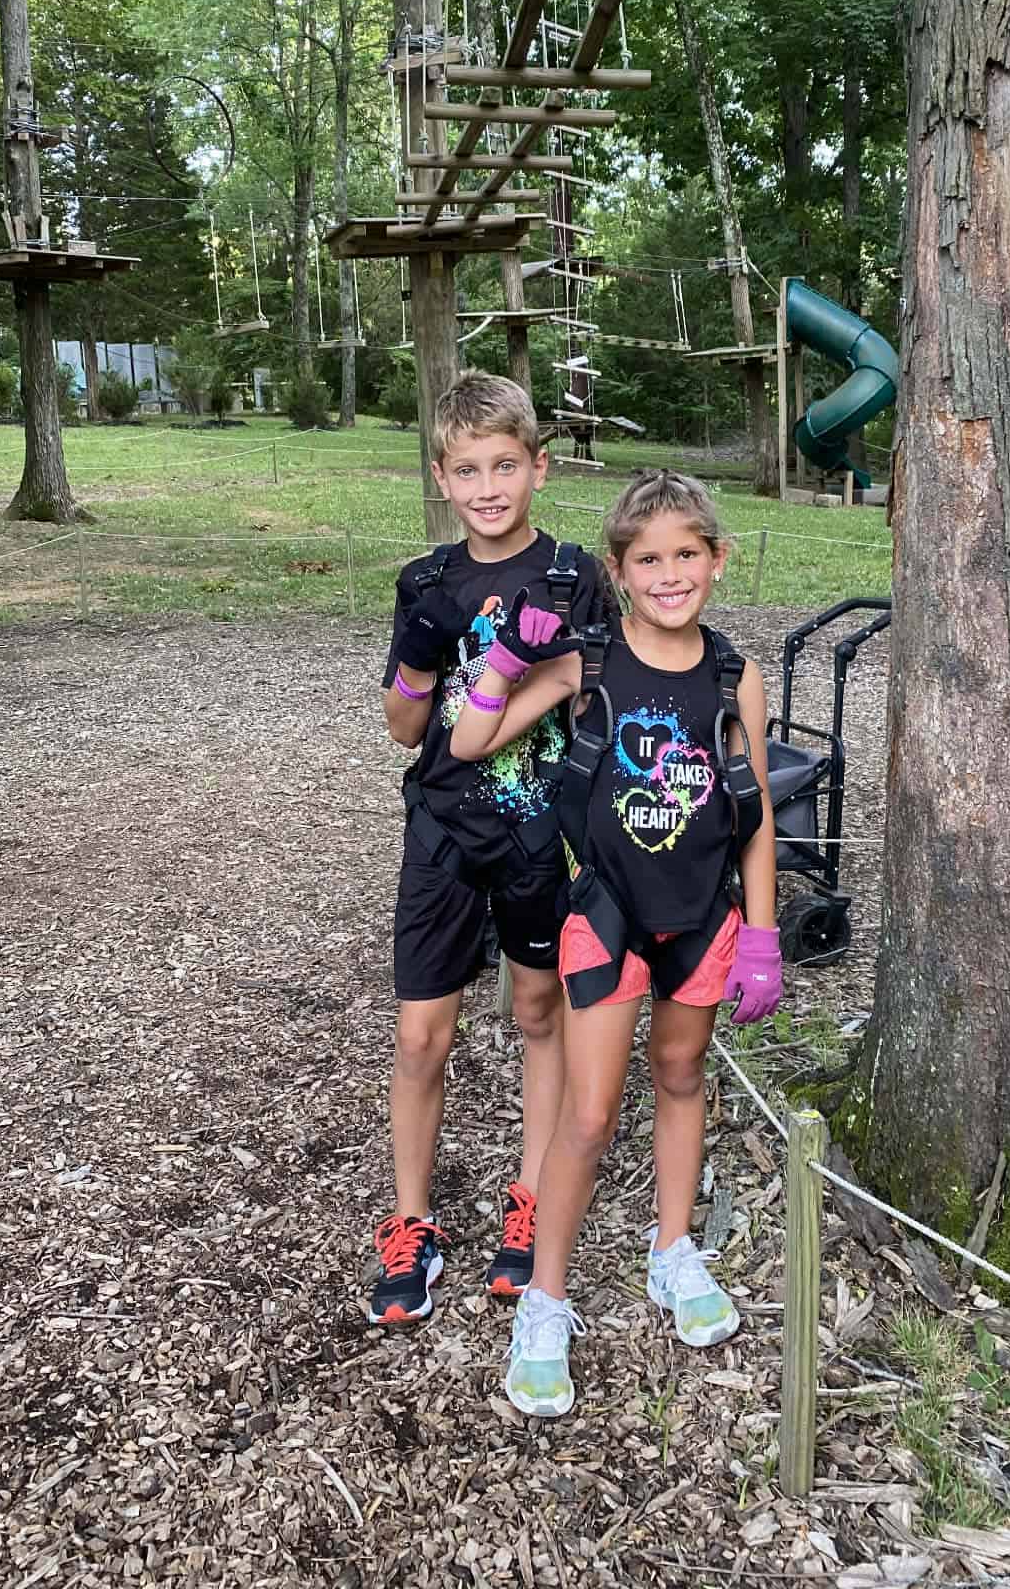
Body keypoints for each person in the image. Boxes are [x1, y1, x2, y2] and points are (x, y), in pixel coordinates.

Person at [453, 469, 782, 1415]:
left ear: (716, 561)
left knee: (681, 1077)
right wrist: (513, 657)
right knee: (589, 1116)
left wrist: (761, 937)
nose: (670, 574)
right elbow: (473, 738)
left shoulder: (734, 676)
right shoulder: (587, 666)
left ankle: (672, 1250)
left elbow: (754, 813)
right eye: (649, 560)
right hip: (603, 916)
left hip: (703, 918)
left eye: (688, 555)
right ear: (620, 570)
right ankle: (545, 1303)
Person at [372, 371, 607, 1326]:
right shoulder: (427, 584)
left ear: (538, 468)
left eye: (504, 464)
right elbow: (400, 726)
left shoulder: (572, 574)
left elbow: (590, 689)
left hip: (541, 831)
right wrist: (423, 659)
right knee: (420, 1033)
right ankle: (412, 1221)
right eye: (466, 470)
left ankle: (531, 1197)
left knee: (538, 1013)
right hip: (441, 827)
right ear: (442, 475)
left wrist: (537, 683)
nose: (487, 486)